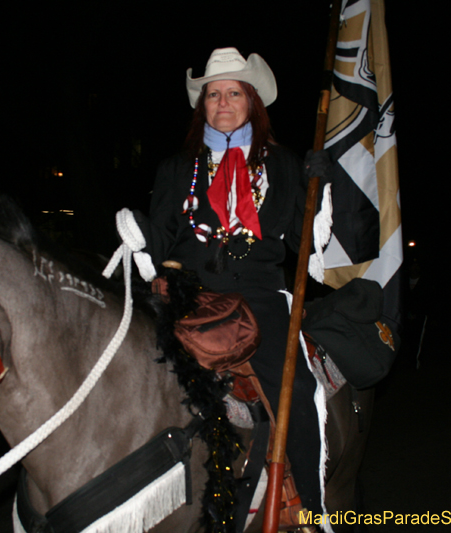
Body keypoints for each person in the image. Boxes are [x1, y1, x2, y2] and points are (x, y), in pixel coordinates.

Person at [135, 47, 323, 514]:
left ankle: (311, 510)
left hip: (257, 294)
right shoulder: (177, 168)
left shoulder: (282, 164)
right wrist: (137, 238)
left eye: (233, 93)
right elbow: (159, 241)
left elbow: (306, 243)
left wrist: (319, 193)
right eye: (212, 94)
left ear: (252, 102)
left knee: (295, 390)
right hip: (187, 294)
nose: (221, 103)